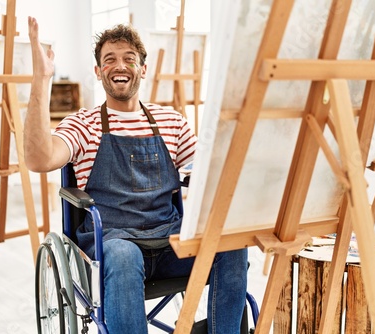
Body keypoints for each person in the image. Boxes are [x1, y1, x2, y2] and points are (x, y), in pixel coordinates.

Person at [24, 16, 248, 333]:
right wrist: (41, 79)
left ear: (143, 69)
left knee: (231, 244)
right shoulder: (83, 123)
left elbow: (207, 172)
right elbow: (38, 158)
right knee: (124, 253)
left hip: (170, 241)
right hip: (113, 243)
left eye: (129, 59)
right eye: (110, 59)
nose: (120, 66)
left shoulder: (171, 121)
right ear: (98, 71)